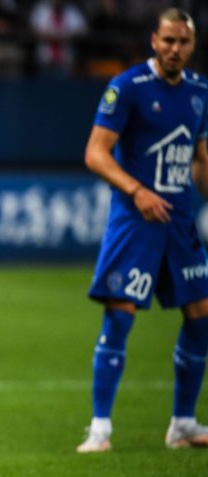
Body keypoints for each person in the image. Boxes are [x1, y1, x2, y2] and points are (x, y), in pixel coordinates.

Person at [78, 8, 208, 453]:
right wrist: (137, 190)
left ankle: (183, 424)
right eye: (168, 40)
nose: (175, 49)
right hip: (136, 219)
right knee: (120, 315)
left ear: (192, 45)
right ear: (154, 40)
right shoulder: (128, 87)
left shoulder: (199, 91)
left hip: (180, 222)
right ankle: (100, 429)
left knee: (201, 315)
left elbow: (201, 159)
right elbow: (96, 153)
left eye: (183, 42)